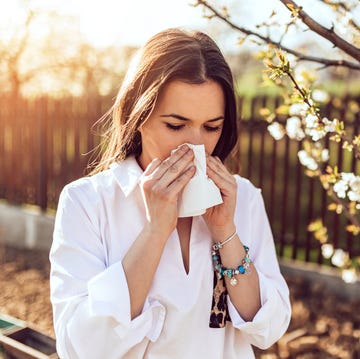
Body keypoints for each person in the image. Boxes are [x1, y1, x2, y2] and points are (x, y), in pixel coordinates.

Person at [50, 28, 291, 359]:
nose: (195, 146)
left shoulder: (243, 199)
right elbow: (79, 348)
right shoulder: (88, 202)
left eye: (211, 127)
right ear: (139, 115)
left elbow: (269, 329)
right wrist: (154, 231)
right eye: (176, 126)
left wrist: (226, 233)